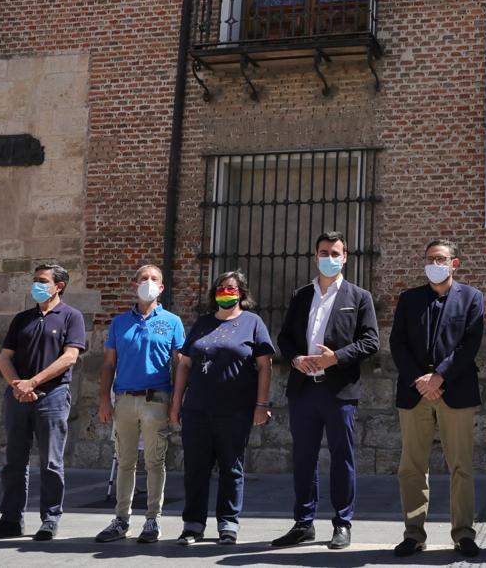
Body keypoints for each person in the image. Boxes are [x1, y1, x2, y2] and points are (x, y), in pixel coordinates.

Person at [272, 231, 379, 551]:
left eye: (335, 253)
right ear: (314, 256)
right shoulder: (301, 295)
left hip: (339, 391)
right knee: (303, 458)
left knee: (341, 458)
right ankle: (303, 524)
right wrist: (295, 358)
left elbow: (371, 341)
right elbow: (286, 337)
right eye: (323, 252)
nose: (329, 258)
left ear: (345, 257)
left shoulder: (359, 297)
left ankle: (342, 524)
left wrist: (337, 358)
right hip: (304, 389)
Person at [389, 240, 484, 558]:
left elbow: (470, 345)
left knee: (461, 466)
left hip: (455, 391)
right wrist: (421, 380)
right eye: (430, 258)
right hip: (415, 392)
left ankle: (464, 533)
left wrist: (440, 376)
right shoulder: (409, 299)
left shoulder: (471, 297)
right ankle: (413, 533)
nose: (434, 263)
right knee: (411, 467)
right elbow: (397, 343)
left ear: (454, 263)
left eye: (441, 259)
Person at [0, 264, 87, 541]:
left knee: (51, 461)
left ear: (58, 286)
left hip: (52, 396)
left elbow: (69, 357)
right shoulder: (22, 318)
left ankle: (50, 519)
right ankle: (10, 519)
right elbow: (5, 357)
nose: (36, 285)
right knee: (14, 461)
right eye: (35, 280)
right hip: (18, 396)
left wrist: (33, 382)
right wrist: (17, 384)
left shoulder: (71, 317)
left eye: (42, 281)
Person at [170, 270, 273, 546]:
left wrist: (261, 404)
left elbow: (265, 366)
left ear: (241, 293)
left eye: (231, 288)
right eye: (221, 287)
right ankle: (193, 525)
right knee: (196, 468)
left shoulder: (253, 323)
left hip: (235, 410)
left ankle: (228, 524)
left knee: (231, 467)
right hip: (197, 410)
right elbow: (185, 364)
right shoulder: (202, 323)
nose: (226, 292)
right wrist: (176, 403)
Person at [94, 265, 185, 544]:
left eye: (154, 279)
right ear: (134, 285)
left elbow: (181, 364)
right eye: (143, 278)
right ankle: (122, 519)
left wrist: (176, 403)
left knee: (155, 461)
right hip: (124, 399)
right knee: (125, 461)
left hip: (156, 398)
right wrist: (103, 400)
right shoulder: (120, 323)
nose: (148, 282)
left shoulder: (172, 321)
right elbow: (109, 364)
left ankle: (152, 519)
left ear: (162, 287)